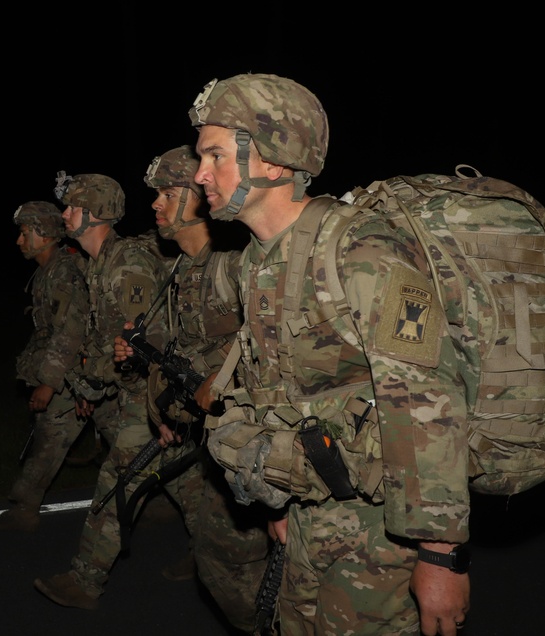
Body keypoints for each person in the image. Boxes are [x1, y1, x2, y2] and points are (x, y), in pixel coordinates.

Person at [187, 73, 472, 636]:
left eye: (214, 155)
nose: (199, 175)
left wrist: (441, 556)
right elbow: (275, 390)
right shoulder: (256, 262)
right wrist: (278, 504)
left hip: (384, 534)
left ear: (272, 160)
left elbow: (427, 402)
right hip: (309, 517)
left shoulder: (362, 251)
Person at [114, 144, 271, 633]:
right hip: (212, 438)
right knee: (221, 555)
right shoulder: (181, 270)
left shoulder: (233, 264)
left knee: (230, 558)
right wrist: (167, 410)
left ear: (198, 201)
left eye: (166, 193)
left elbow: (264, 351)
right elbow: (182, 350)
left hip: (258, 438)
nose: (156, 205)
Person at [33, 172, 173, 611]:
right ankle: (219, 550)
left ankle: (86, 580)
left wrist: (97, 384)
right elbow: (102, 338)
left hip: (149, 395)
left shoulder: (126, 264)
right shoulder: (99, 264)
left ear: (93, 213)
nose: (64, 214)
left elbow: (142, 344)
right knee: (190, 483)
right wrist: (86, 385)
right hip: (131, 393)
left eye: (72, 207)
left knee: (116, 481)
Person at [0, 201, 91, 533]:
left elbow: (69, 332)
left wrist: (48, 382)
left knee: (53, 438)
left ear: (43, 235)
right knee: (53, 436)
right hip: (74, 373)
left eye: (24, 233)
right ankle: (24, 508)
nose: (19, 241)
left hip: (79, 371)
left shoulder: (63, 273)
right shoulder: (47, 271)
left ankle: (24, 510)